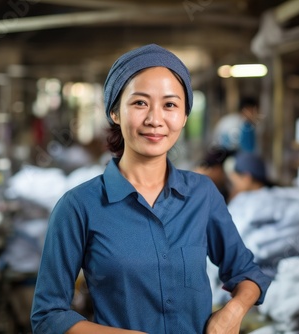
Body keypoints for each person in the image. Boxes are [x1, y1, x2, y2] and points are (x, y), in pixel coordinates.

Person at [30, 44, 271, 334]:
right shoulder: (78, 206)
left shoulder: (202, 194)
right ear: (115, 112)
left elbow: (247, 274)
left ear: (183, 117)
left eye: (170, 105)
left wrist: (233, 311)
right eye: (140, 103)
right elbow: (47, 316)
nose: (155, 120)